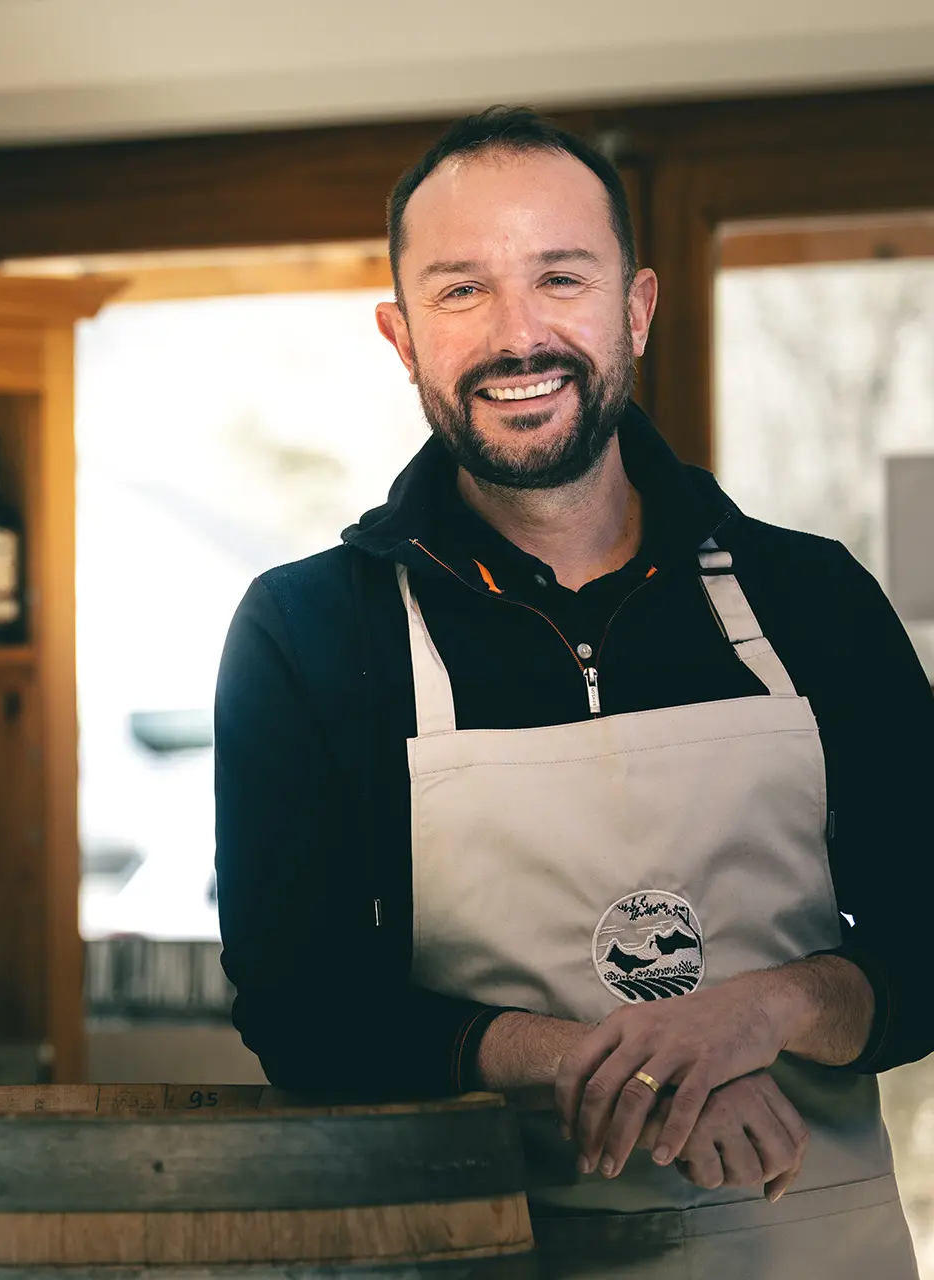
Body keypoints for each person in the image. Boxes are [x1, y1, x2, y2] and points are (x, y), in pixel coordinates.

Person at [214, 106, 933, 1276]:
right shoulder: (306, 631)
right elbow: (300, 1006)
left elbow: (933, 932)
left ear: (635, 308)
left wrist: (766, 1012)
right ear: (401, 336)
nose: (519, 334)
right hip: (476, 1248)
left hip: (803, 1245)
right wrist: (615, 1062)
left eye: (561, 277)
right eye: (461, 291)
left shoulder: (813, 599)